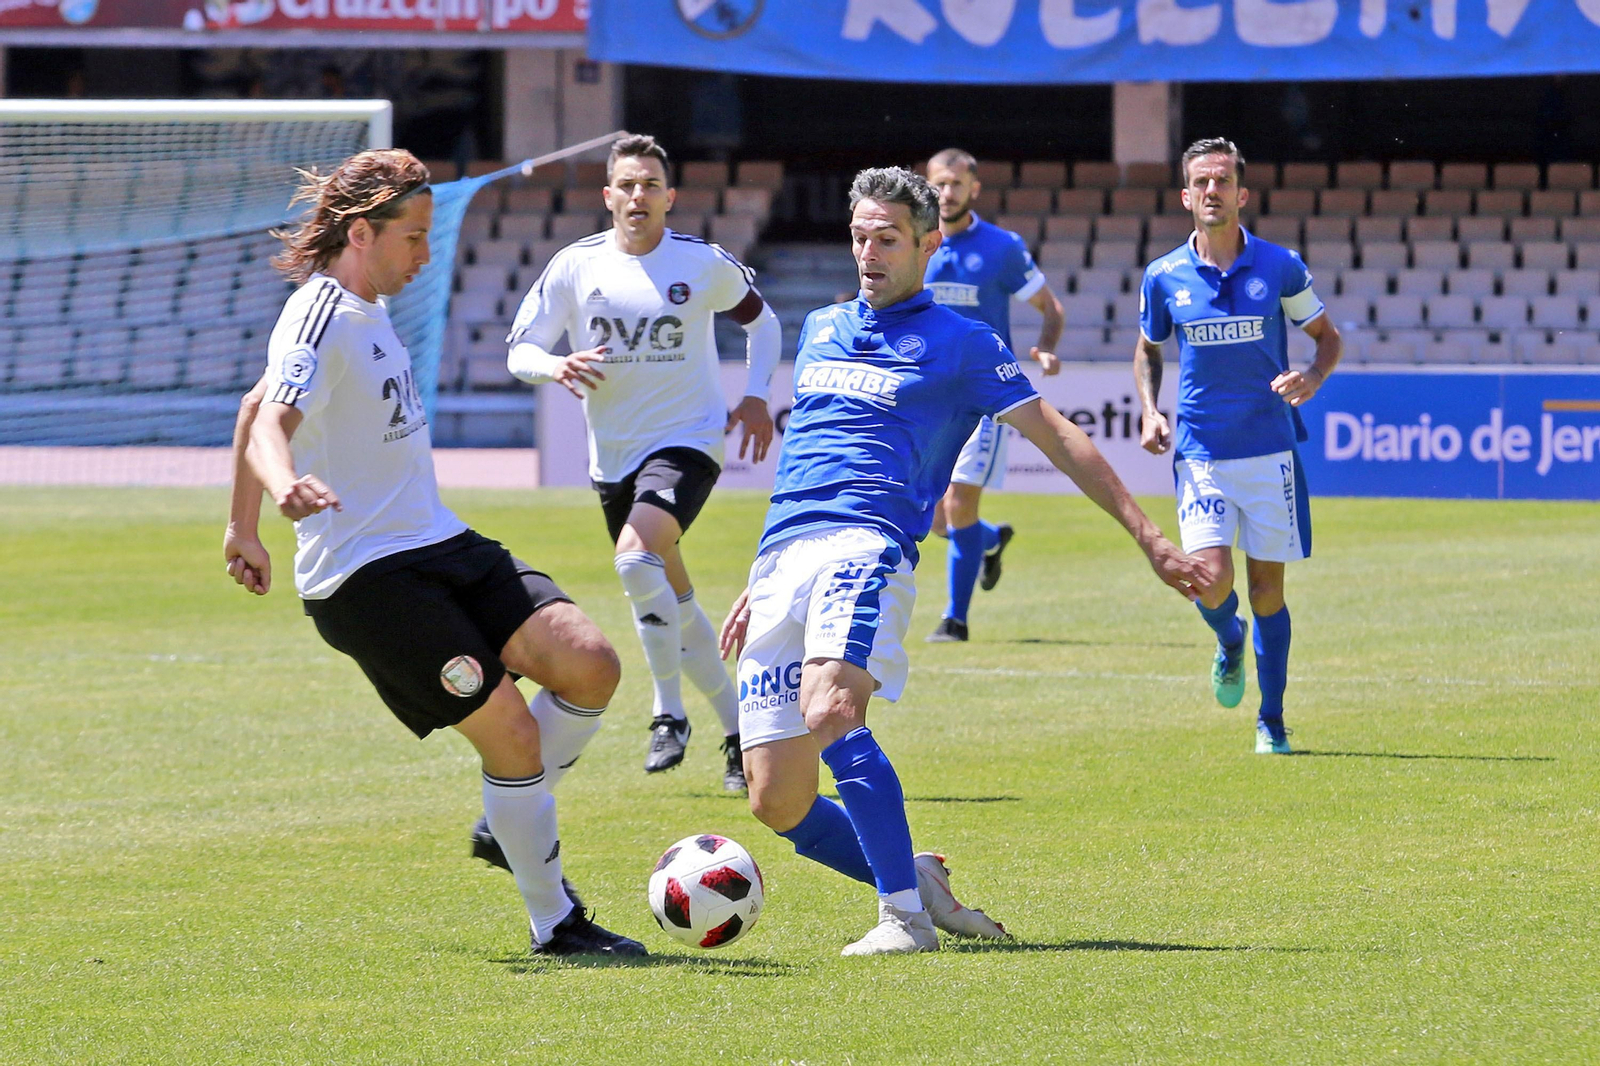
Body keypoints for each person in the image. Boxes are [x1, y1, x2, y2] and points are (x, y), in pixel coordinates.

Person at [717, 167, 1212, 955]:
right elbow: (809, 458)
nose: (868, 253)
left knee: (833, 709)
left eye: (886, 238)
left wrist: (1149, 538)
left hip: (867, 545)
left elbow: (1060, 436)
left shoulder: (962, 344)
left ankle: (904, 921)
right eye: (859, 237)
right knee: (775, 798)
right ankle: (910, 875)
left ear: (928, 243)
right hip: (786, 556)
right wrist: (761, 572)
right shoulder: (820, 328)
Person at [222, 148, 645, 958]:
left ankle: (508, 814)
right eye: (413, 238)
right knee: (514, 738)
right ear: (360, 232)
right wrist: (276, 492)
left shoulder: (367, 309)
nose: (425, 255)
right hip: (366, 578)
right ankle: (555, 922)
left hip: (439, 540)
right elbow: (270, 423)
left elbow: (250, 404)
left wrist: (239, 531)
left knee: (590, 664)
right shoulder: (317, 313)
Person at [504, 133, 781, 791]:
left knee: (635, 559)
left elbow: (762, 323)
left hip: (688, 441)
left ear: (669, 197)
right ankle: (741, 731)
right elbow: (520, 351)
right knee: (672, 601)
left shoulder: (701, 263)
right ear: (608, 196)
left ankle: (668, 712)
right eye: (627, 185)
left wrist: (756, 397)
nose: (638, 196)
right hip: (613, 460)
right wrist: (555, 365)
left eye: (651, 185)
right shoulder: (576, 266)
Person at [1133, 138, 1342, 756]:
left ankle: (1271, 719)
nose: (1212, 191)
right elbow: (1148, 347)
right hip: (1200, 451)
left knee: (1267, 592)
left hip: (1269, 449)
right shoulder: (1164, 275)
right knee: (1210, 582)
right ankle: (1229, 640)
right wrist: (1149, 408)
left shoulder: (1280, 266)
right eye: (1201, 182)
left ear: (1242, 193)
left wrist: (1311, 375)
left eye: (1222, 180)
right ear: (1186, 195)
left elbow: (1327, 338)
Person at [921, 148, 1066, 643]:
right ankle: (988, 540)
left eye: (956, 185)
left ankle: (954, 620)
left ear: (974, 190)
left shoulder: (1002, 247)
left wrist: (1045, 349)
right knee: (936, 516)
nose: (946, 193)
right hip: (929, 397)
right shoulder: (919, 243)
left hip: (985, 397)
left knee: (959, 502)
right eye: (939, 184)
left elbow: (1052, 308)